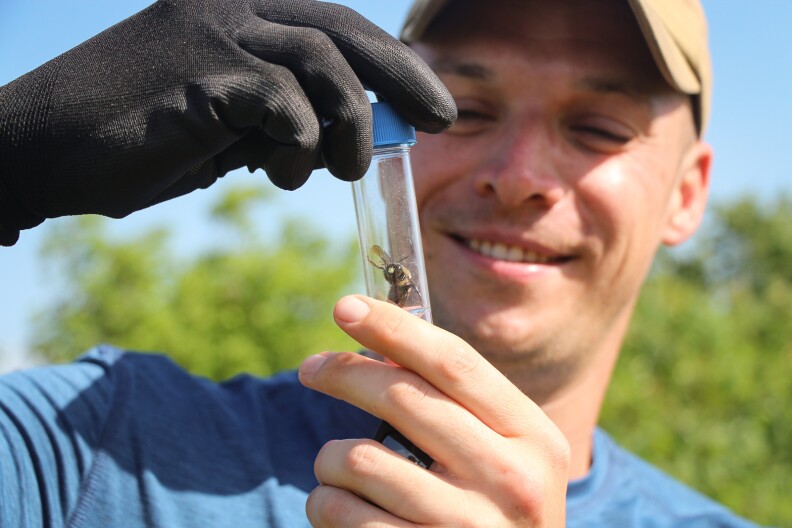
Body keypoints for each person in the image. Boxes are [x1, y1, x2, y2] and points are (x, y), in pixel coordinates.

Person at [0, 0, 763, 526]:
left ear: (687, 192)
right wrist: (12, 159)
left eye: (597, 127)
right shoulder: (87, 449)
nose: (520, 173)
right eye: (461, 108)